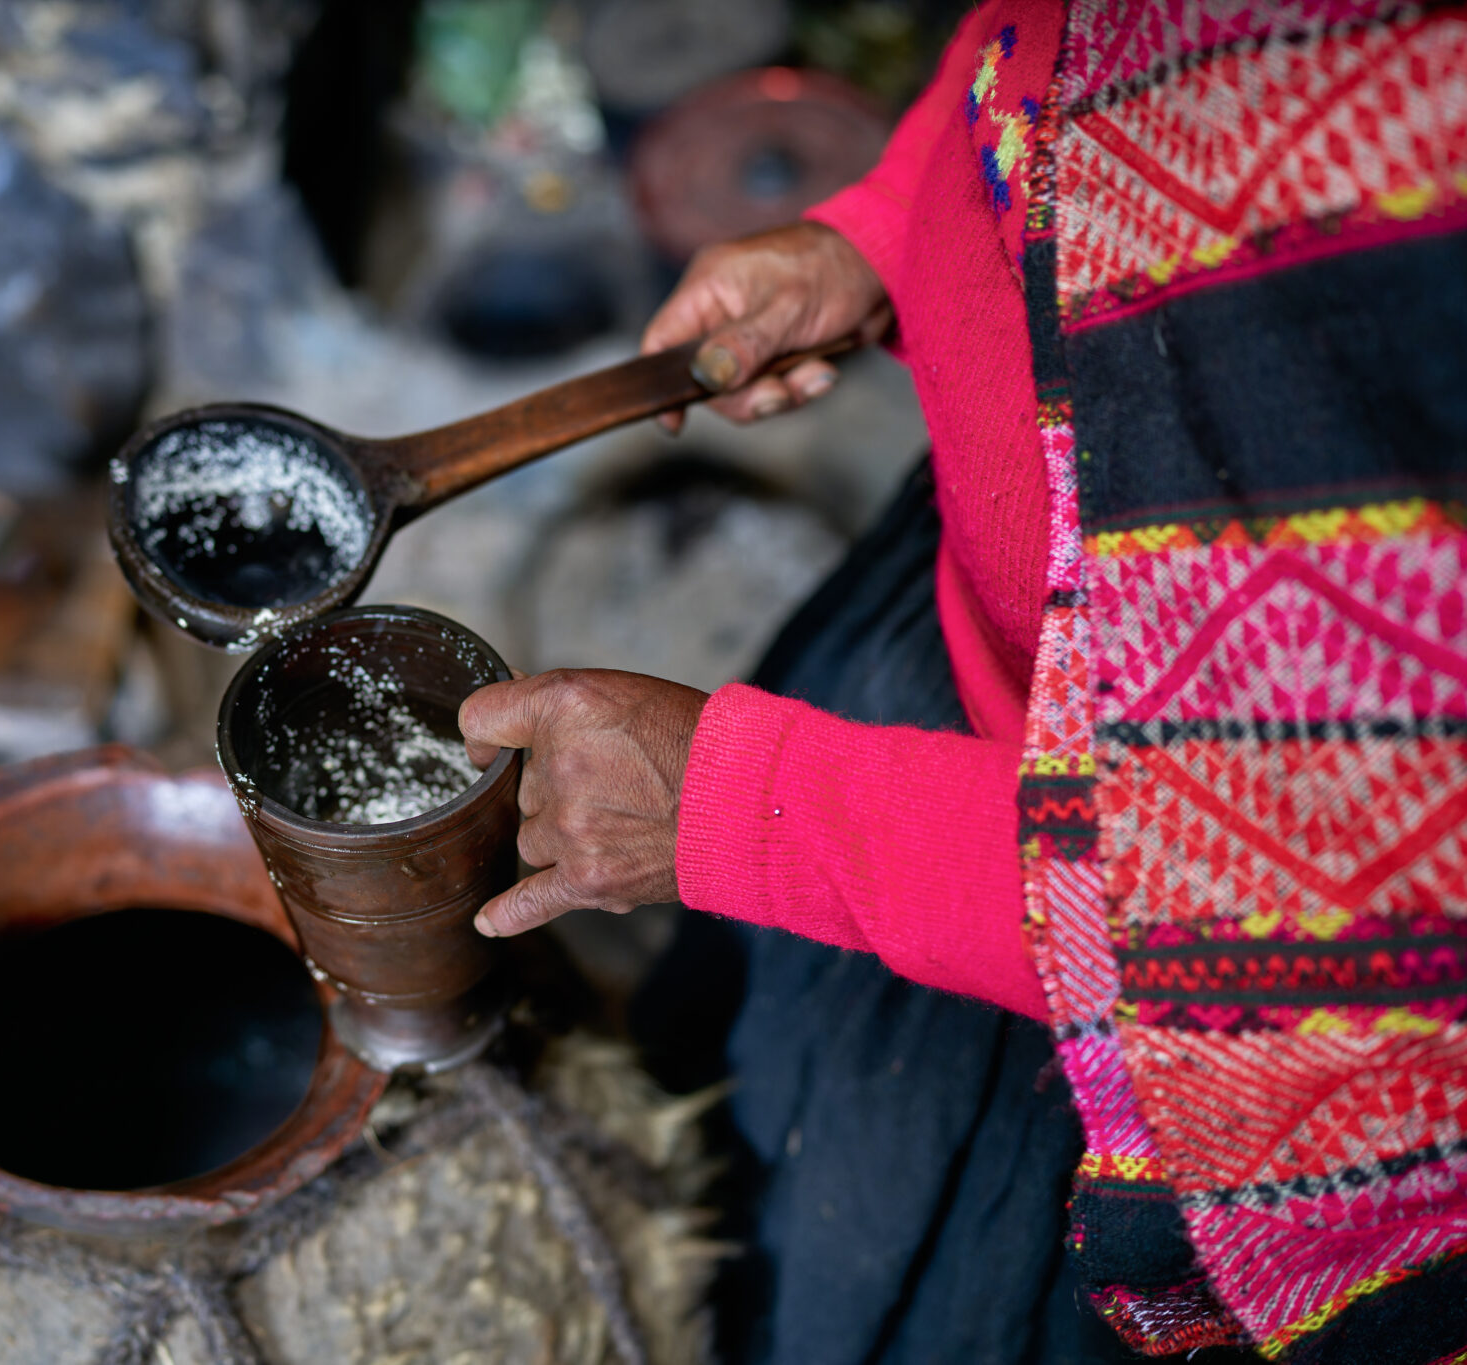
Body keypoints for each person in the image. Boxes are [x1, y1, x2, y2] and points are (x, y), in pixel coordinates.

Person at [460, 3, 1467, 1361]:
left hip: (1089, 996)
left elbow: (1356, 937)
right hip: (971, 650)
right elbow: (1057, 46)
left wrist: (765, 812)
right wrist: (894, 227)